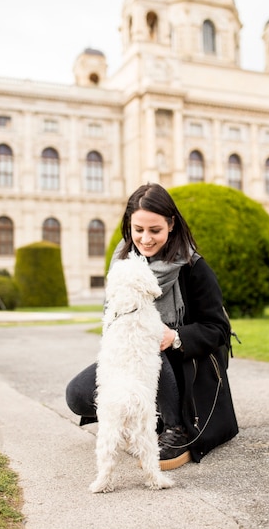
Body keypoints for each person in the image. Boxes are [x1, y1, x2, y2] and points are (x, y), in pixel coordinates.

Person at [66, 183, 238, 469]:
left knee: (147, 333)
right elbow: (113, 318)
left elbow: (218, 329)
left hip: (184, 364)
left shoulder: (193, 267)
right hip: (135, 360)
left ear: (171, 224)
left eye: (154, 230)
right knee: (78, 395)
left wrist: (176, 336)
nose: (145, 239)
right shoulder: (122, 261)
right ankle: (145, 419)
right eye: (138, 230)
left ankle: (175, 429)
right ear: (129, 226)